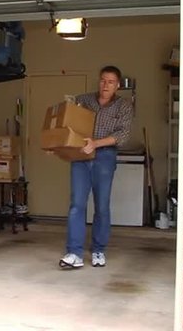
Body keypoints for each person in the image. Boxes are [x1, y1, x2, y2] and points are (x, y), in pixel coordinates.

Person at [59, 65, 133, 269]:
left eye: (110, 81)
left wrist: (96, 143)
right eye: (102, 80)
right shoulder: (83, 100)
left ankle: (99, 250)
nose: (105, 85)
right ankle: (74, 252)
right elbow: (67, 124)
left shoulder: (124, 106)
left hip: (105, 157)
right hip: (80, 156)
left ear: (117, 85)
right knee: (77, 205)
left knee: (101, 206)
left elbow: (123, 136)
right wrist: (56, 144)